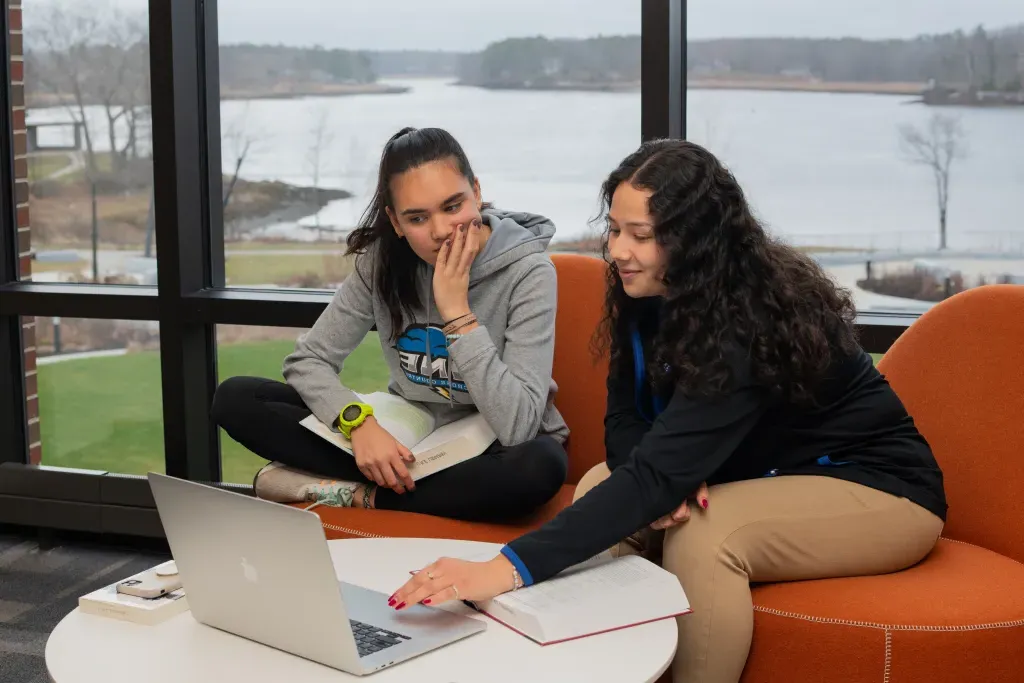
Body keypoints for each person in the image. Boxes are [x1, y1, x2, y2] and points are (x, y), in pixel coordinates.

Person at [388, 139, 947, 683]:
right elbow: (624, 425)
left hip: (876, 485)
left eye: (642, 235)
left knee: (707, 538)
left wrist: (501, 567)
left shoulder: (747, 317)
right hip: (753, 472)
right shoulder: (645, 288)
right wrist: (667, 480)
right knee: (600, 484)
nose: (617, 251)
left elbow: (657, 472)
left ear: (695, 242)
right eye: (613, 228)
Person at [211, 126, 569, 522]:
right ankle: (404, 484)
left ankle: (364, 493)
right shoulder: (382, 262)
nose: (439, 231)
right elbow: (308, 361)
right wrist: (359, 426)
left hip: (495, 444)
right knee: (237, 398)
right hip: (406, 434)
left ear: (477, 193)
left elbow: (519, 425)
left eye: (453, 207)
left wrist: (457, 313)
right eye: (417, 217)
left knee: (540, 465)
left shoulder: (529, 271)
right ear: (395, 222)